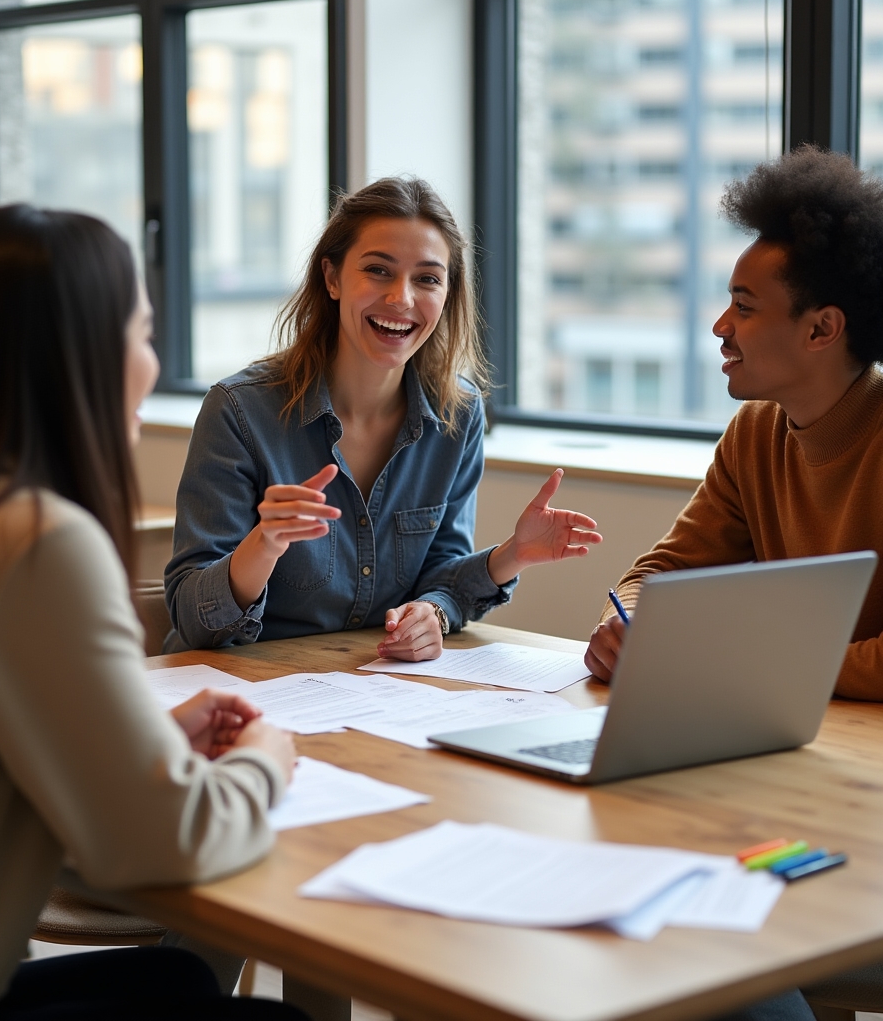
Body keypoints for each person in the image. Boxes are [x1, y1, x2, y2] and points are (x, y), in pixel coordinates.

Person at [0, 206, 305, 1021]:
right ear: (79, 355)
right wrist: (265, 761)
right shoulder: (34, 542)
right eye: (141, 332)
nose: (151, 359)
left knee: (176, 982)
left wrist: (146, 742)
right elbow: (164, 839)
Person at [165, 177, 602, 658]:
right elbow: (191, 617)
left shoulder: (459, 414)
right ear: (332, 278)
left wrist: (498, 565)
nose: (402, 299)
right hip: (244, 692)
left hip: (374, 691)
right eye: (378, 270)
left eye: (428, 278)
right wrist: (264, 544)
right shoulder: (239, 410)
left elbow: (442, 577)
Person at [585, 146, 883, 702]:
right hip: (791, 720)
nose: (721, 326)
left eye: (744, 308)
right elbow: (665, 569)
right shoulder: (755, 432)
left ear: (821, 329)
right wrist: (626, 627)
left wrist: (749, 660)